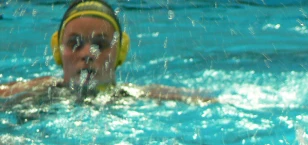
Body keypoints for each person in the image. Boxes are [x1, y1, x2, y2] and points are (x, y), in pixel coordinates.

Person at [0, 0, 213, 104]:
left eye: (100, 45)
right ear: (58, 51)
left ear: (120, 52)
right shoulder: (28, 92)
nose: (87, 53)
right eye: (75, 43)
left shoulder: (141, 97)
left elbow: (207, 101)